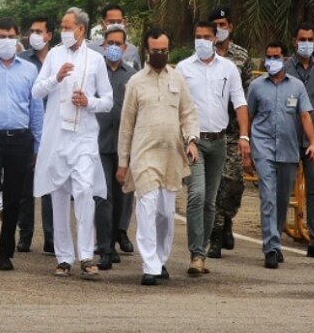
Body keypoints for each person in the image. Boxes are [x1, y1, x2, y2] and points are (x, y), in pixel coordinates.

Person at [32, 7, 113, 279]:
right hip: (57, 136)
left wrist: (89, 103)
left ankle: (87, 254)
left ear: (81, 29)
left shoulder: (96, 60)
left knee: (84, 192)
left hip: (84, 138)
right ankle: (63, 257)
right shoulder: (54, 55)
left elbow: (108, 101)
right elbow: (35, 91)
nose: (64, 31)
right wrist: (55, 78)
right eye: (62, 27)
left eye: (68, 27)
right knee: (58, 195)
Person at [117, 28, 200, 286]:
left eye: (165, 51)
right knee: (146, 208)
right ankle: (150, 265)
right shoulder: (135, 83)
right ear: (147, 50)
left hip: (172, 156)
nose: (161, 55)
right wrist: (123, 162)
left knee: (165, 213)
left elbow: (188, 114)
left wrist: (192, 140)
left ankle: (160, 259)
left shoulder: (178, 79)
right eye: (156, 51)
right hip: (143, 156)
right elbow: (126, 125)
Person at [176, 20, 249, 276]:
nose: (202, 41)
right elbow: (179, 107)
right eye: (198, 36)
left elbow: (239, 101)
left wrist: (244, 136)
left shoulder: (228, 68)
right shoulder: (183, 69)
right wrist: (187, 139)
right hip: (193, 141)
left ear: (215, 38)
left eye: (207, 36)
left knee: (210, 201)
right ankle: (196, 253)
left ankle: (203, 251)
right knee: (196, 195)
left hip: (219, 141)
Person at [0, 18, 43, 271]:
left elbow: (36, 109)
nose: (5, 40)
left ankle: (6, 250)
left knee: (14, 197)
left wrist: (37, 144)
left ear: (17, 38)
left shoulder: (28, 70)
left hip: (20, 139)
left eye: (10, 36)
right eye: (1, 36)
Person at [246, 41, 314, 269]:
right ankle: (270, 248)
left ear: (285, 59)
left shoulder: (296, 87)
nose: (271, 61)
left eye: (276, 56)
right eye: (268, 56)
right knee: (268, 196)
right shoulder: (256, 87)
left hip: (288, 150)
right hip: (263, 148)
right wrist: (246, 147)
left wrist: (313, 142)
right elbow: (248, 117)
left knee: (281, 199)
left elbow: (305, 116)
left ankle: (275, 240)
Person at [207, 6, 253, 258]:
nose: (219, 29)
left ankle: (227, 219)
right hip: (212, 128)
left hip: (235, 130)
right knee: (215, 183)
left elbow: (247, 94)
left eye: (223, 24)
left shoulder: (242, 56)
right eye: (215, 25)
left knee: (235, 184)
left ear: (231, 26)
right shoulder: (205, 55)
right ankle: (215, 235)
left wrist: (248, 132)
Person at [285, 23, 314, 259]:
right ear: (295, 41)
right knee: (283, 188)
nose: (306, 44)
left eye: (310, 40)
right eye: (302, 39)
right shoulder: (284, 68)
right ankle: (273, 242)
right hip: (289, 138)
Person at [94, 24, 137, 270]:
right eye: (109, 43)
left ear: (125, 47)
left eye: (118, 44)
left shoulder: (131, 76)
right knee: (103, 196)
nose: (113, 47)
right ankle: (105, 249)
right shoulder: (94, 71)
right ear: (103, 44)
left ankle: (113, 238)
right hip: (98, 143)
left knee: (121, 197)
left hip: (123, 146)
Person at [17, 16, 55, 253]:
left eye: (39, 31)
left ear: (49, 35)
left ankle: (51, 237)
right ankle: (25, 234)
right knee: (26, 186)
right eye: (32, 31)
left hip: (54, 131)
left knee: (51, 187)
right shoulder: (23, 62)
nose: (35, 36)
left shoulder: (57, 60)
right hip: (28, 130)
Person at [88, 3, 141, 70]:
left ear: (124, 23)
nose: (116, 25)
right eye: (111, 22)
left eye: (119, 22)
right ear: (103, 24)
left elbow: (137, 75)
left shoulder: (132, 50)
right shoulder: (91, 49)